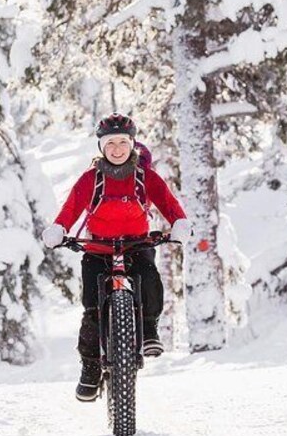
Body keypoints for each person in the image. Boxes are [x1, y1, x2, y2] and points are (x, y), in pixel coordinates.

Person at [41, 113, 191, 402]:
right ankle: (90, 367)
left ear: (132, 145)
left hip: (136, 245)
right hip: (98, 249)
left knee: (149, 278)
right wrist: (59, 228)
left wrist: (179, 222)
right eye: (111, 143)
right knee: (92, 310)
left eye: (123, 142)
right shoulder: (91, 178)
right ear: (102, 147)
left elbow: (167, 202)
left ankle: (148, 329)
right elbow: (72, 208)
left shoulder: (144, 177)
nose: (118, 149)